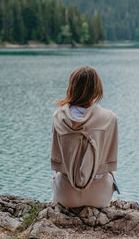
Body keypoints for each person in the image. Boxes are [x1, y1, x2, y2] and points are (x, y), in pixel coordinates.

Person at [51, 66, 118, 208]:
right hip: (99, 197)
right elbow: (107, 162)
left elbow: (59, 162)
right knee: (109, 175)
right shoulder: (109, 118)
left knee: (58, 176)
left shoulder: (58, 116)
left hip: (65, 196)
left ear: (72, 87)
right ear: (96, 89)